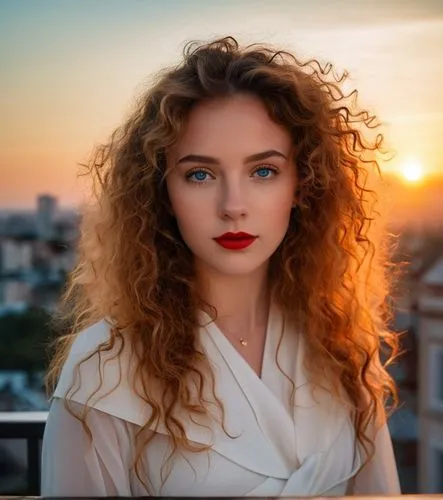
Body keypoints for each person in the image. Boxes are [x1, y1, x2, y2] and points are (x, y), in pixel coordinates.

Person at [41, 36, 402, 496]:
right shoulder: (103, 369)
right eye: (200, 174)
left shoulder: (342, 348)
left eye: (263, 171)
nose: (233, 206)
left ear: (302, 185)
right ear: (163, 194)